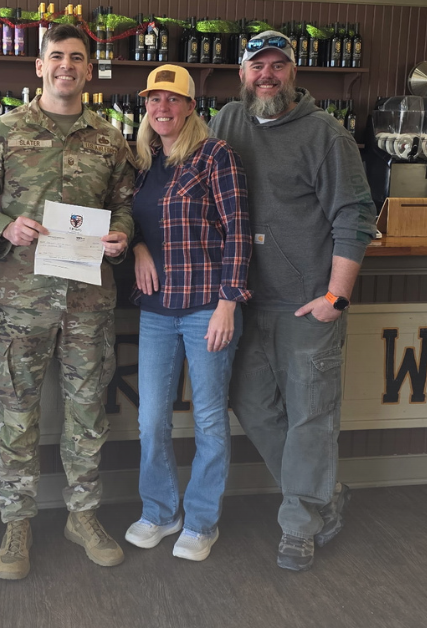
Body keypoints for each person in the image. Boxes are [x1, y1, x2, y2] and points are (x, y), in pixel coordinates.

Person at [0, 24, 135, 581]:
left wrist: (123, 236)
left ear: (89, 70)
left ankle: (82, 517)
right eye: (56, 56)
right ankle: (17, 522)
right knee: (18, 415)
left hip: (88, 303)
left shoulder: (111, 139)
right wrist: (5, 227)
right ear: (39, 66)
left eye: (76, 58)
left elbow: (125, 205)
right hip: (24, 299)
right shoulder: (2, 133)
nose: (66, 66)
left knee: (86, 416)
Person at [209, 31, 378, 572]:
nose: (268, 75)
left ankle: (300, 525)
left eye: (279, 65)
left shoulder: (326, 134)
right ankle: (322, 494)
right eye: (258, 65)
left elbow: (355, 215)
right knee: (251, 404)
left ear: (294, 73)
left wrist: (337, 296)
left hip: (307, 304)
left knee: (311, 417)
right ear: (241, 74)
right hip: (242, 299)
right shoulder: (226, 123)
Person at [122, 65, 251, 562]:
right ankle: (160, 511)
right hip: (156, 310)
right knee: (151, 420)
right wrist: (136, 247)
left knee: (210, 422)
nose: (162, 108)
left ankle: (200, 521)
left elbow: (239, 231)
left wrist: (227, 304)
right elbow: (127, 216)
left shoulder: (216, 155)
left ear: (191, 106)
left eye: (172, 100)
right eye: (154, 99)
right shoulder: (143, 160)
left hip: (205, 308)